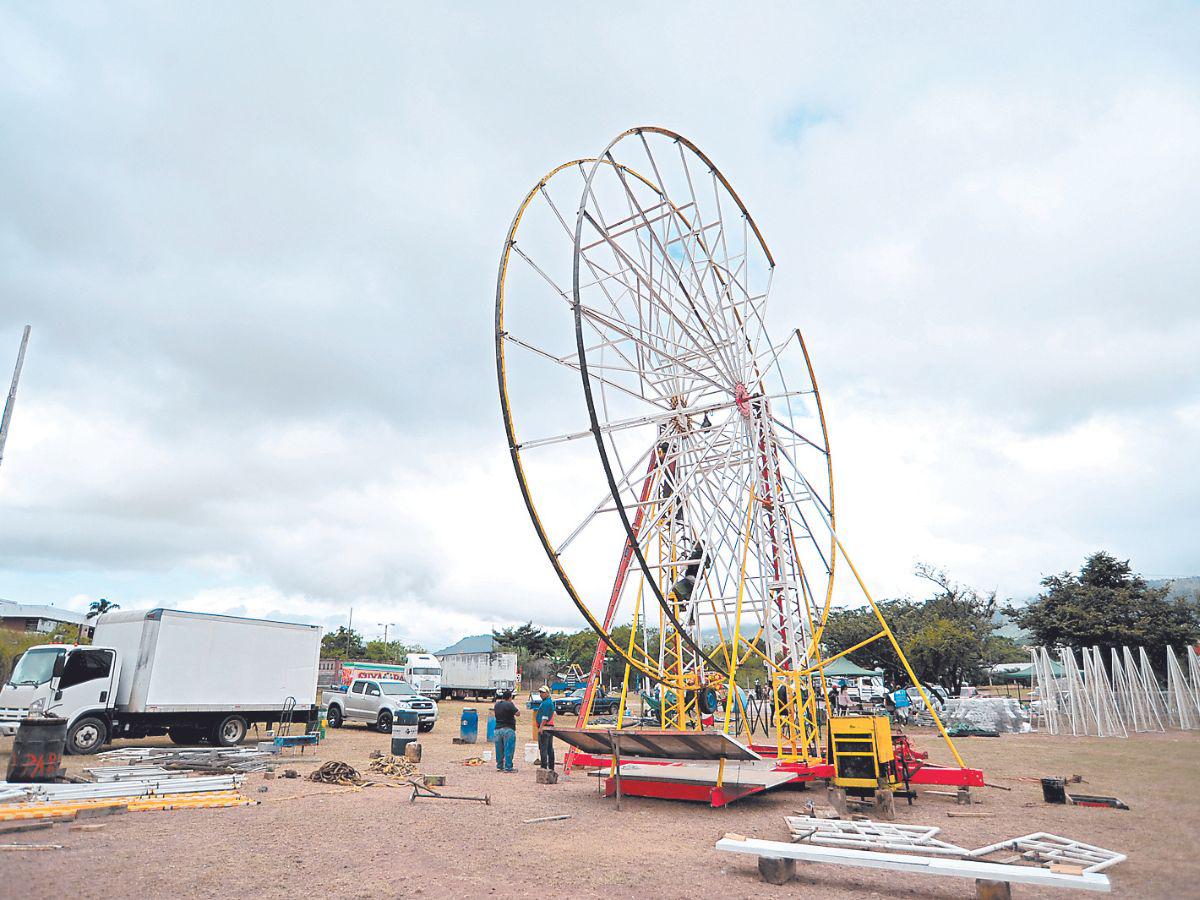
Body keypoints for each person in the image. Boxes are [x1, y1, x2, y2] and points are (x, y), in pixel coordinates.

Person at [492, 689, 519, 773]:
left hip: (497, 729)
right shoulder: (509, 704)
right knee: (509, 749)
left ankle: (499, 766)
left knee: (499, 749)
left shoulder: (496, 705)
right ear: (509, 697)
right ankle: (508, 767)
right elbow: (518, 713)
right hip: (508, 729)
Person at [535, 684, 556, 771]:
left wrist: (541, 727)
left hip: (545, 728)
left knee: (544, 748)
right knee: (549, 748)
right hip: (548, 727)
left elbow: (545, 717)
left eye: (543, 692)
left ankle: (544, 767)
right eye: (540, 692)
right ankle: (551, 767)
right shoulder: (547, 702)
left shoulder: (546, 703)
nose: (541, 694)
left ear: (547, 693)